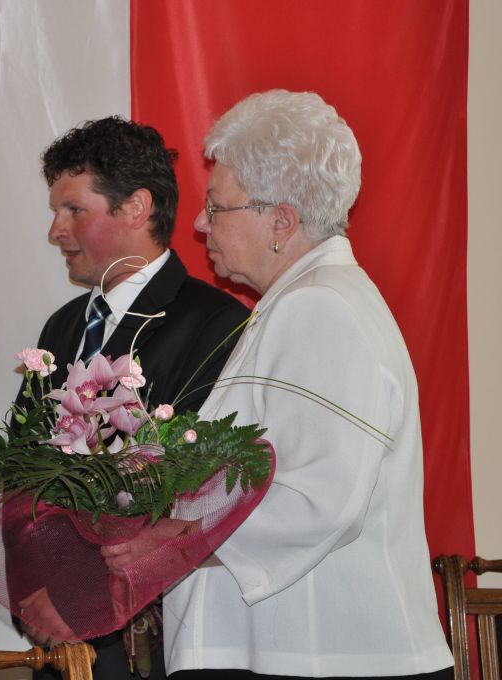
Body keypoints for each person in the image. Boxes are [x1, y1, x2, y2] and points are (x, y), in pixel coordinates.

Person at [103, 90, 453, 679]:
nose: (199, 223)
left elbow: (321, 500)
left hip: (316, 657)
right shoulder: (308, 300)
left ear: (280, 222)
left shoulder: (320, 308)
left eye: (216, 207)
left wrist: (173, 542)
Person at [18, 117, 250, 680]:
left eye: (74, 209)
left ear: (136, 208)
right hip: (58, 641)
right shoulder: (62, 326)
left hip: (152, 640)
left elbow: (198, 492)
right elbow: (22, 472)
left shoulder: (216, 324)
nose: (55, 230)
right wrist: (35, 587)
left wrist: (82, 599)